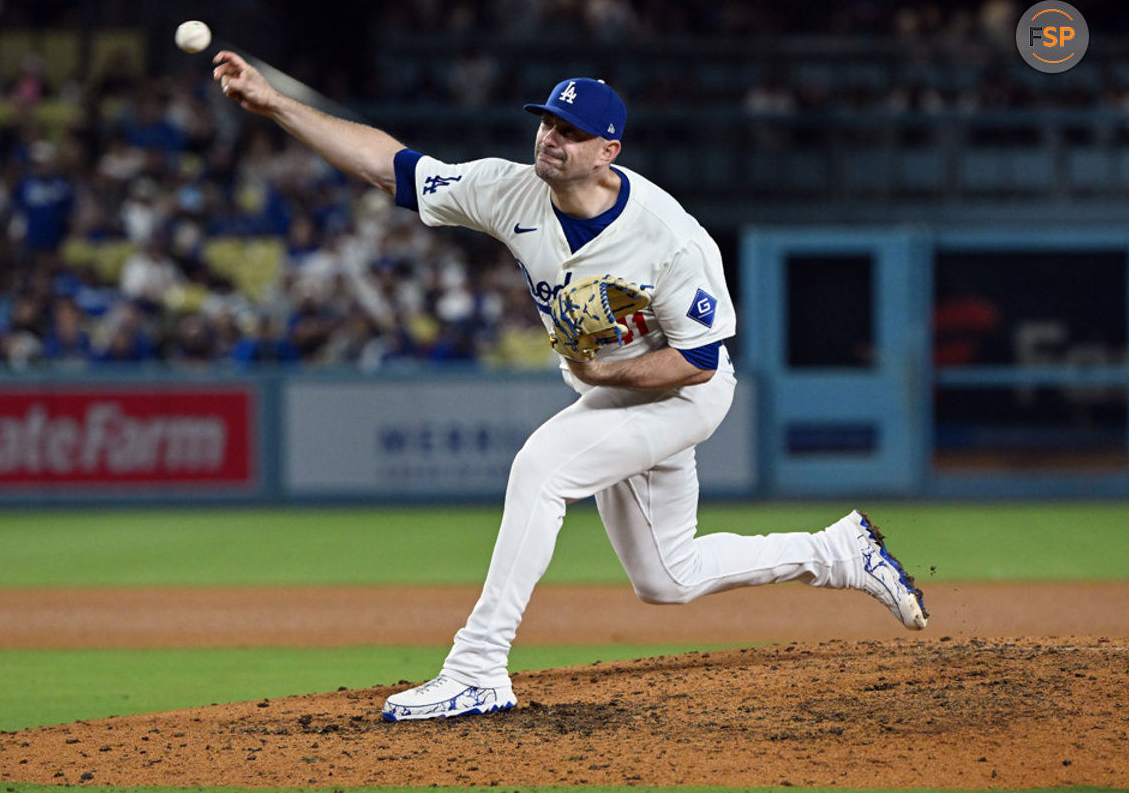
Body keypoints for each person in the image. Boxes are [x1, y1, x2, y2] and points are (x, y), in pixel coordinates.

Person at [212, 52, 929, 722]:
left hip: (683, 396)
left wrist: (604, 374)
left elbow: (700, 361)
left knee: (542, 468)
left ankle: (478, 668)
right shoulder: (508, 190)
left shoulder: (671, 238)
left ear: (607, 151)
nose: (552, 138)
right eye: (549, 122)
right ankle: (837, 551)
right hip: (618, 392)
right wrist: (275, 104)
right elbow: (390, 168)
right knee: (666, 577)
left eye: (573, 132)